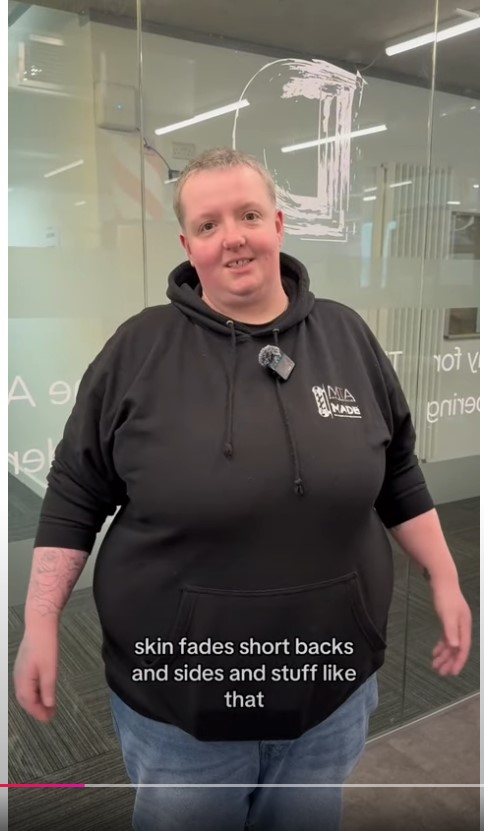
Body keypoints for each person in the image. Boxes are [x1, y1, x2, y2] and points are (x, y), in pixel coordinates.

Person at [14, 147, 472, 831]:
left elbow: (399, 471)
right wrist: (41, 620)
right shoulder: (137, 351)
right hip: (183, 710)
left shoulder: (347, 336)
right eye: (209, 224)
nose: (232, 237)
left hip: (329, 694)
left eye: (249, 215)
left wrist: (445, 576)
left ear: (278, 224)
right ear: (187, 246)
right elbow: (76, 494)